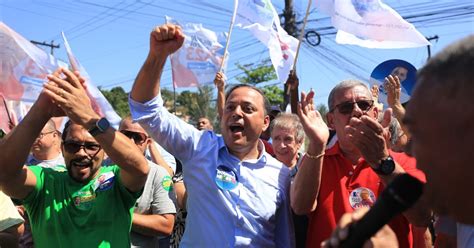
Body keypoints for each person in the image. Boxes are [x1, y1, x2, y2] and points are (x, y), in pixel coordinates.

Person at [129, 23, 294, 247]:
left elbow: (284, 240)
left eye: (247, 108)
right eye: (230, 107)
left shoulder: (281, 176)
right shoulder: (198, 147)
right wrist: (157, 57)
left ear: (265, 123)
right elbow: (146, 110)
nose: (236, 113)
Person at [0, 68, 149, 248]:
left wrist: (88, 117)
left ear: (106, 151)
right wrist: (41, 109)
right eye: (73, 145)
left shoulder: (116, 180)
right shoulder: (45, 182)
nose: (81, 153)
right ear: (62, 149)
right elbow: (4, 174)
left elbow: (140, 168)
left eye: (92, 146)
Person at [291, 80, 431, 248]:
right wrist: (316, 143)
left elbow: (422, 217)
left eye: (364, 104)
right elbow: (300, 207)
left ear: (374, 112)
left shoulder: (403, 161)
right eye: (346, 107)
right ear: (331, 121)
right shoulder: (316, 158)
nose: (356, 111)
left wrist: (382, 162)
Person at [114, 117, 176, 248]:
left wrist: (121, 215)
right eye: (126, 135)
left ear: (147, 142)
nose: (130, 141)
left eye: (138, 137)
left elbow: (166, 225)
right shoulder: (100, 168)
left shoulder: (159, 174)